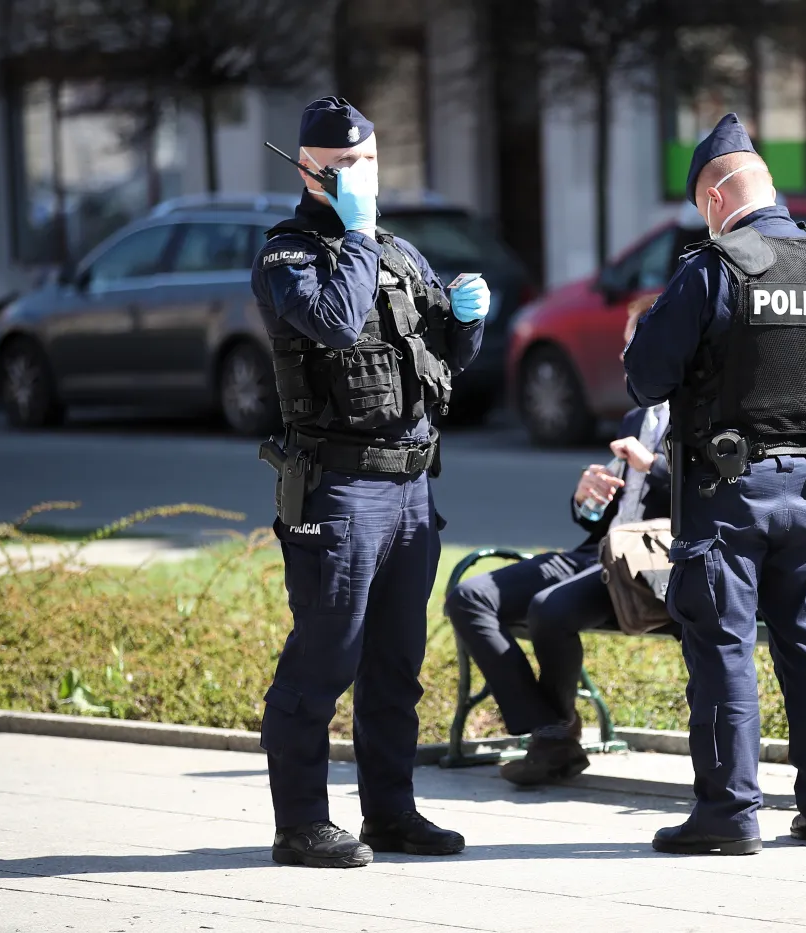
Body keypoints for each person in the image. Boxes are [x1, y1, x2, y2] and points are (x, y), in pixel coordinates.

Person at [251, 96, 489, 868]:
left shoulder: (396, 250)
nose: (364, 176)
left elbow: (441, 360)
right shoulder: (289, 255)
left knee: (395, 665)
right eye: (346, 166)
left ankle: (391, 813)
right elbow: (332, 320)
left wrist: (468, 317)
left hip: (411, 490)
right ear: (309, 170)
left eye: (371, 163)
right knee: (324, 655)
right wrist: (352, 230)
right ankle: (301, 825)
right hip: (340, 491)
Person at [623, 113, 806, 856]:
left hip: (728, 496)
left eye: (704, 203)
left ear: (718, 194)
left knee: (724, 644)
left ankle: (729, 813)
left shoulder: (714, 268)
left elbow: (646, 376)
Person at [446, 300, 671, 786]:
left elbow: (714, 495)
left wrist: (652, 467)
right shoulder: (636, 419)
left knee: (549, 607)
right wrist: (587, 497)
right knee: (470, 597)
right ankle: (551, 727)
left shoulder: (701, 416)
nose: (625, 356)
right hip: (598, 551)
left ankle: (552, 745)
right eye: (625, 345)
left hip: (650, 563)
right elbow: (604, 511)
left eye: (635, 345)